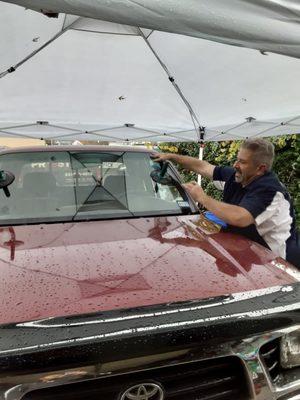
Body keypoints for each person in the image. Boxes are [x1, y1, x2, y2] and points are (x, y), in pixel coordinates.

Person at [152, 138, 300, 268]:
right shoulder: (239, 175)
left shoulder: (270, 190)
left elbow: (240, 217)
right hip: (247, 251)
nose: (235, 164)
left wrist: (202, 197)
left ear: (260, 169)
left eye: (242, 162)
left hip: (278, 261)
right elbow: (203, 167)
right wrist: (172, 157)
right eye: (237, 159)